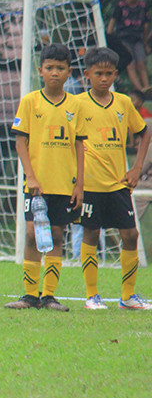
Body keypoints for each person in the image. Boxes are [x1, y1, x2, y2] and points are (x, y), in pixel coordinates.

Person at [4, 44, 84, 312]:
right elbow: (20, 143)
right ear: (40, 70)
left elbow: (79, 146)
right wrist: (31, 176)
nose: (54, 73)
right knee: (31, 235)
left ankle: (49, 296)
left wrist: (80, 185)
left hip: (64, 184)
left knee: (57, 236)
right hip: (36, 184)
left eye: (60, 68)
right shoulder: (30, 101)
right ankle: (29, 296)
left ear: (68, 72)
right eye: (49, 67)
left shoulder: (75, 105)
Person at [76, 47, 152, 310]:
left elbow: (144, 134)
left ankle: (128, 296)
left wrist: (137, 168)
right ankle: (91, 295)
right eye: (98, 74)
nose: (104, 79)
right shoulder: (77, 104)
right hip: (90, 183)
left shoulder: (123, 102)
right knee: (90, 233)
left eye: (109, 74)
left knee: (130, 235)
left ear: (116, 75)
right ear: (87, 75)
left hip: (119, 183)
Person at [106, 0, 150, 93]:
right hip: (123, 39)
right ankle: (139, 89)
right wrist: (109, 38)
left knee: (141, 63)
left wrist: (146, 44)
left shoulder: (142, 7)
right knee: (130, 64)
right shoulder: (121, 6)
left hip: (138, 39)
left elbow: (145, 26)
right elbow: (112, 23)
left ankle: (147, 87)